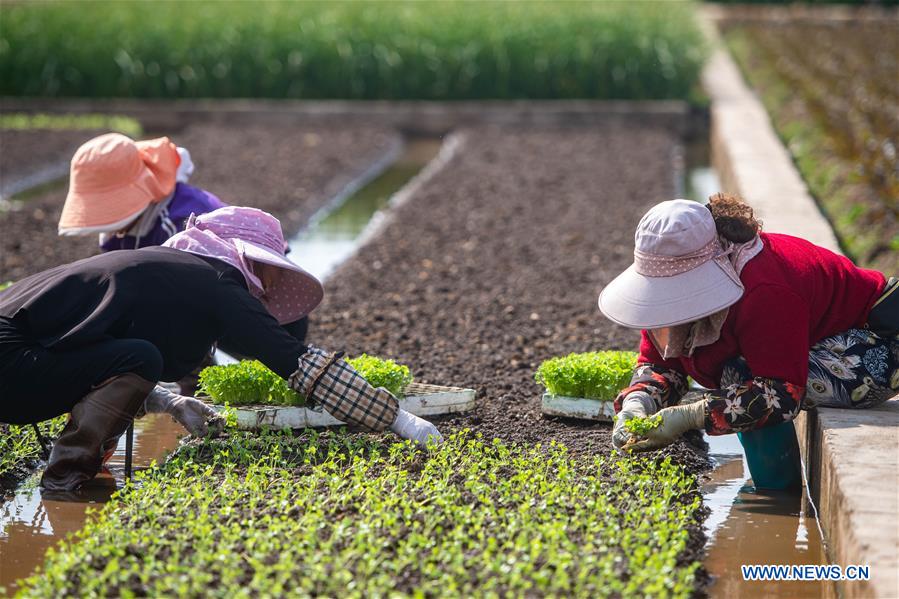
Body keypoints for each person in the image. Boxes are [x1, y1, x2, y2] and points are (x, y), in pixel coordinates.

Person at [0, 206, 441, 492]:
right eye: (270, 271)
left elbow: (96, 363)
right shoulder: (216, 284)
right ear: (247, 259)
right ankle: (65, 482)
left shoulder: (164, 270)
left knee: (139, 356)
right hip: (11, 366)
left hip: (16, 357)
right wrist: (397, 418)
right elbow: (298, 363)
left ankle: (76, 474)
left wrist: (171, 402)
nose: (270, 287)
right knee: (144, 358)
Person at [599, 194, 897, 453]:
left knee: (738, 373)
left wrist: (691, 415)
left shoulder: (762, 288)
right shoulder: (669, 300)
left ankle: (775, 491)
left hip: (875, 346)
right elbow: (662, 365)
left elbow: (782, 393)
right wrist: (638, 402)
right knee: (733, 372)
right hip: (818, 342)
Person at [56, 132, 308, 391]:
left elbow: (213, 298)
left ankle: (199, 385)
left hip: (270, 312)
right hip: (216, 307)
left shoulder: (179, 221)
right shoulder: (119, 233)